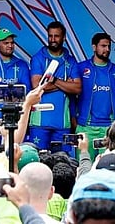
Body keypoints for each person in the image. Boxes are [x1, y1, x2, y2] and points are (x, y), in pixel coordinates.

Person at [29, 20, 82, 150]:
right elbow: (37, 86)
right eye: (50, 36)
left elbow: (77, 88)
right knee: (38, 161)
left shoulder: (71, 60)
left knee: (63, 162)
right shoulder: (38, 58)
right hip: (39, 123)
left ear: (63, 38)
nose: (52, 39)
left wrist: (54, 80)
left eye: (56, 36)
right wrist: (65, 84)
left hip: (63, 123)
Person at [76, 32, 115, 161]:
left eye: (109, 46)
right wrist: (75, 118)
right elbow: (72, 97)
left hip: (109, 128)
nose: (107, 50)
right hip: (86, 127)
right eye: (103, 46)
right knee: (84, 164)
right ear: (94, 47)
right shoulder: (81, 68)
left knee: (108, 168)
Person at [0, 28, 31, 120]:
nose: (10, 46)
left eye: (12, 43)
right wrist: (16, 89)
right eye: (6, 43)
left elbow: (26, 90)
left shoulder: (22, 65)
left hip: (17, 116)